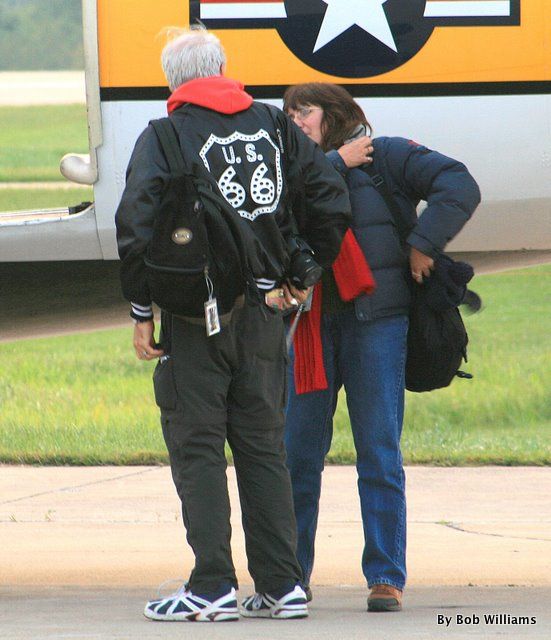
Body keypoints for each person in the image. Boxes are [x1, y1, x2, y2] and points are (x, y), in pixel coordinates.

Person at [115, 32, 351, 622]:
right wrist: (304, 272)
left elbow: (135, 224)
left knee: (196, 447)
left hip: (196, 321)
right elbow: (329, 198)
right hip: (267, 314)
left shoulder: (165, 135)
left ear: (174, 81)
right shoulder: (275, 125)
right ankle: (282, 585)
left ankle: (212, 586)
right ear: (222, 69)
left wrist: (142, 310)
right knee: (262, 446)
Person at [283, 83, 481, 612]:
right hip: (309, 327)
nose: (295, 120)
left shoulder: (385, 156)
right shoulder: (287, 168)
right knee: (297, 455)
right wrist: (336, 163)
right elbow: (279, 205)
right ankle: (290, 577)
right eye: (289, 113)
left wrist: (423, 243)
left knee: (379, 453)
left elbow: (458, 183)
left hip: (378, 324)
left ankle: (386, 576)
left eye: (305, 110)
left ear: (334, 114)